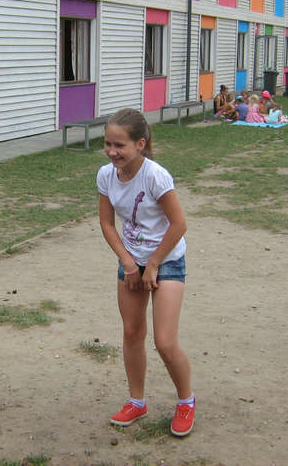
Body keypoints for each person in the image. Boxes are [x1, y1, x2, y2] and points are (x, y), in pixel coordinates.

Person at [96, 108, 195, 438]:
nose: (112, 152)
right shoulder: (106, 176)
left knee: (164, 341)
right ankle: (136, 401)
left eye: (119, 145)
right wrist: (128, 263)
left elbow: (179, 224)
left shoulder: (155, 176)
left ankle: (186, 401)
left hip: (166, 260)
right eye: (108, 144)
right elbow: (107, 223)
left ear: (140, 144)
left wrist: (152, 264)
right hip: (131, 260)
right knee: (132, 332)